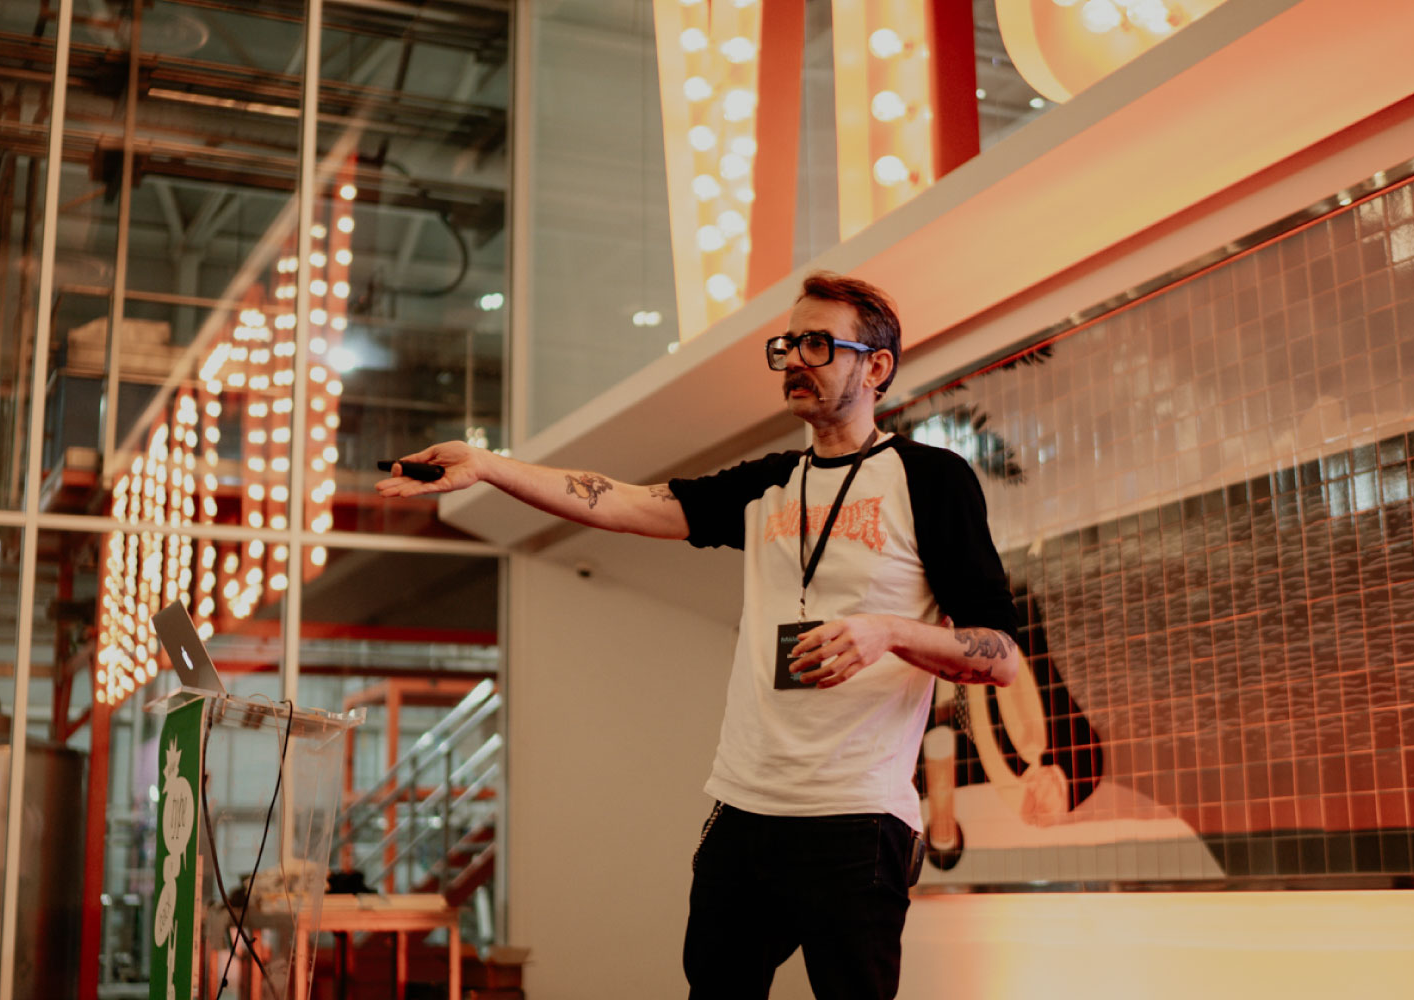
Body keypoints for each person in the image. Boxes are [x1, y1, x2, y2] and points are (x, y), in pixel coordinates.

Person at [376, 271, 1021, 1000]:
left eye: (818, 344)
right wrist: (490, 467)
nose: (795, 359)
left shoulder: (930, 480)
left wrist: (889, 633)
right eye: (787, 345)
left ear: (876, 367)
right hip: (745, 807)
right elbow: (625, 503)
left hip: (858, 815)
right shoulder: (771, 482)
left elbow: (1000, 656)